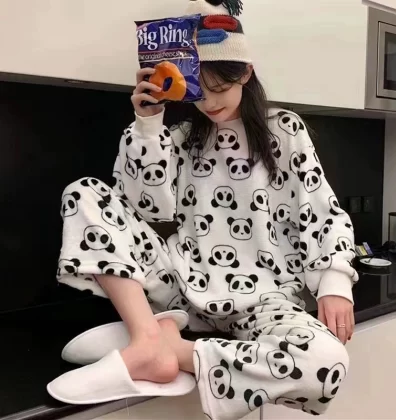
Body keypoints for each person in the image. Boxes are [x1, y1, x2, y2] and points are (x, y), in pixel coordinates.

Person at [55, 0, 358, 418]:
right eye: (199, 92)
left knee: (325, 362)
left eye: (220, 89)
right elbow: (147, 207)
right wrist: (148, 123)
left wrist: (335, 283)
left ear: (245, 73)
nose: (210, 104)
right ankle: (148, 335)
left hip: (264, 301)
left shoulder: (284, 131)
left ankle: (167, 346)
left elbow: (320, 209)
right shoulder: (182, 137)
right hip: (182, 284)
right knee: (83, 192)